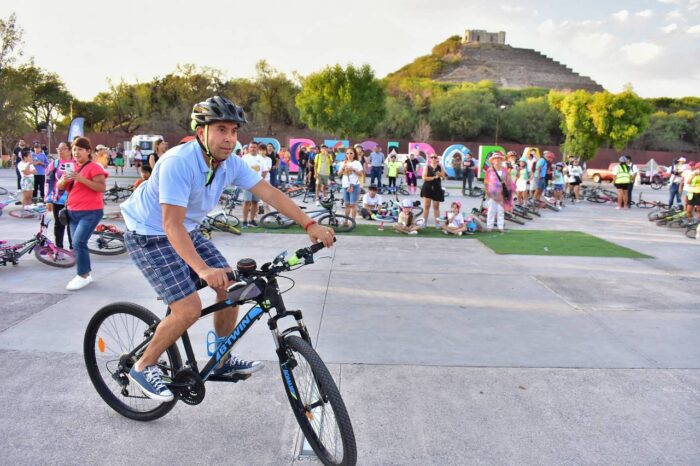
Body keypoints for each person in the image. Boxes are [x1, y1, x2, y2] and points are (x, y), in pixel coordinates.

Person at [120, 96, 335, 401]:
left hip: (187, 230)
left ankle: (221, 359)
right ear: (200, 132)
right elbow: (171, 226)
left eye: (234, 131)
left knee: (234, 288)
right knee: (189, 308)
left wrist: (309, 224)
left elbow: (269, 192)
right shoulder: (178, 162)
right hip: (149, 233)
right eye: (221, 129)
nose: (229, 138)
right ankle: (143, 365)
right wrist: (203, 270)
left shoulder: (230, 163)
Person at [57, 137, 108, 291]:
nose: (76, 152)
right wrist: (64, 181)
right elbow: (59, 186)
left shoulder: (94, 167)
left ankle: (83, 275)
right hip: (72, 212)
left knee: (79, 242)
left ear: (88, 151)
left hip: (90, 212)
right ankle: (85, 274)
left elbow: (101, 187)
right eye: (74, 149)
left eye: (80, 149)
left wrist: (81, 179)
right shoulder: (71, 167)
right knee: (77, 244)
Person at [45, 142, 74, 250]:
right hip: (58, 200)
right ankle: (59, 249)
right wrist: (48, 199)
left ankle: (73, 248)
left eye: (63, 149)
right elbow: (48, 182)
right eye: (58, 149)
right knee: (59, 225)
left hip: (74, 200)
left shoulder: (77, 163)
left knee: (73, 225)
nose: (60, 151)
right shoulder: (55, 164)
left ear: (70, 150)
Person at [484, 151, 515, 233]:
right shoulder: (489, 170)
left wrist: (510, 189)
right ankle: (489, 226)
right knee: (491, 210)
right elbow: (486, 182)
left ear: (501, 160)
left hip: (501, 193)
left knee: (500, 210)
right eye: (495, 159)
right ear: (493, 160)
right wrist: (486, 191)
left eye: (499, 159)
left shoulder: (504, 170)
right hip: (492, 193)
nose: (497, 160)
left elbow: (508, 181)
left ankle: (500, 227)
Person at [241, 142, 266, 227]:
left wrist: (260, 180)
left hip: (257, 184)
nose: (252, 149)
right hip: (247, 183)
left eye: (254, 147)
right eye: (251, 147)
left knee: (255, 202)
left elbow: (265, 170)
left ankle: (252, 220)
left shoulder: (261, 158)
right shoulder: (245, 158)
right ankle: (244, 221)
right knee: (246, 202)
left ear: (257, 148)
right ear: (248, 148)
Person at [420, 153, 446, 228]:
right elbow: (424, 177)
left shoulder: (440, 167)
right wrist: (434, 177)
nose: (433, 159)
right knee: (426, 206)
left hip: (437, 188)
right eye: (432, 157)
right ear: (430, 159)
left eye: (435, 157)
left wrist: (440, 175)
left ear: (437, 159)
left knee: (436, 206)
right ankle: (424, 223)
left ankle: (437, 223)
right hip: (427, 187)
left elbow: (443, 178)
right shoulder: (427, 167)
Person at [338, 147, 363, 224]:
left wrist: (353, 169)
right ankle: (345, 221)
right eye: (347, 153)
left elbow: (361, 174)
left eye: (351, 153)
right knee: (347, 204)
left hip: (354, 185)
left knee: (353, 205)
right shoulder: (344, 162)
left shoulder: (357, 163)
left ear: (354, 154)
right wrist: (343, 168)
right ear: (345, 154)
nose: (349, 155)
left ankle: (353, 222)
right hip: (345, 185)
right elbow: (338, 174)